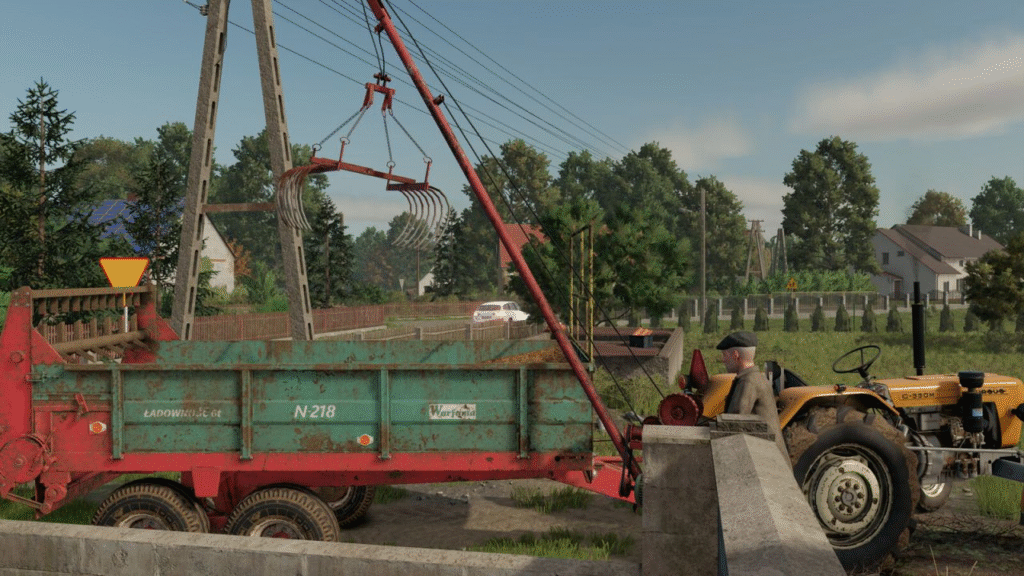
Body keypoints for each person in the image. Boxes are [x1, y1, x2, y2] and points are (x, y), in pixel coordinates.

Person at [716, 331, 788, 460]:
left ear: (736, 355)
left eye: (725, 355)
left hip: (769, 461)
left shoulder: (748, 381)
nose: (723, 360)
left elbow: (734, 423)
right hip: (770, 455)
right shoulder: (754, 377)